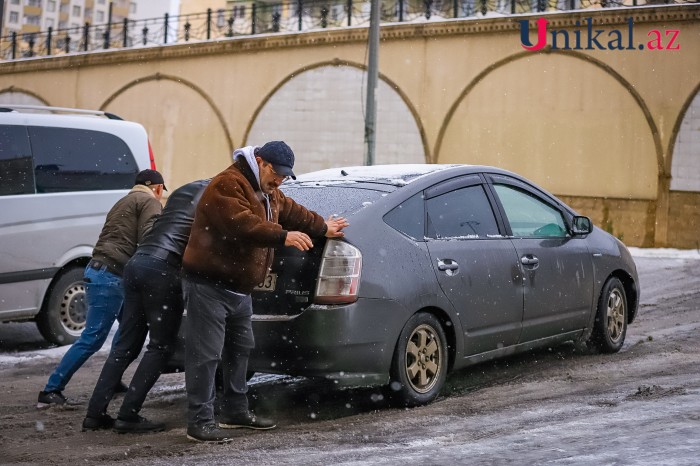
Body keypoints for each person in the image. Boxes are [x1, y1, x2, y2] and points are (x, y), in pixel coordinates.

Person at [181, 141, 349, 442]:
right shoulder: (228, 185)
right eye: (276, 173)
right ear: (259, 161)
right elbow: (242, 225)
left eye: (285, 176)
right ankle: (199, 421)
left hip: (239, 289)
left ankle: (235, 410)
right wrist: (283, 236)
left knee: (240, 349)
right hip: (209, 285)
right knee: (205, 355)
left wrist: (322, 227)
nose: (279, 180)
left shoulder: (267, 191)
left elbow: (293, 211)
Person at [83, 179, 210, 433]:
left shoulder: (180, 198)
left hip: (136, 264)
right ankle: (128, 415)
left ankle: (95, 414)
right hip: (162, 270)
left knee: (125, 346)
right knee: (161, 347)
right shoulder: (213, 201)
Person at [37, 169, 165, 409]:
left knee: (129, 328)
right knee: (93, 338)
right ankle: (51, 390)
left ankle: (112, 378)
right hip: (111, 276)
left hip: (104, 271)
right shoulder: (149, 202)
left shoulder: (124, 201)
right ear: (158, 188)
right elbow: (151, 239)